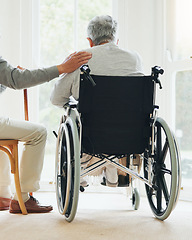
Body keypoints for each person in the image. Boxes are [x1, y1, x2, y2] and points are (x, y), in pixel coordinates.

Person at [0, 8, 92, 214]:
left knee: (5, 133)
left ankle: (4, 196)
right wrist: (61, 69)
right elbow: (17, 81)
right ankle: (23, 197)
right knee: (38, 133)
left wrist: (11, 77)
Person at [50, 15, 144, 187]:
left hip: (92, 134)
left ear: (89, 41)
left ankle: (84, 170)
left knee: (74, 113)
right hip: (131, 134)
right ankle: (112, 166)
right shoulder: (134, 58)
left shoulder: (80, 58)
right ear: (116, 40)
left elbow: (56, 99)